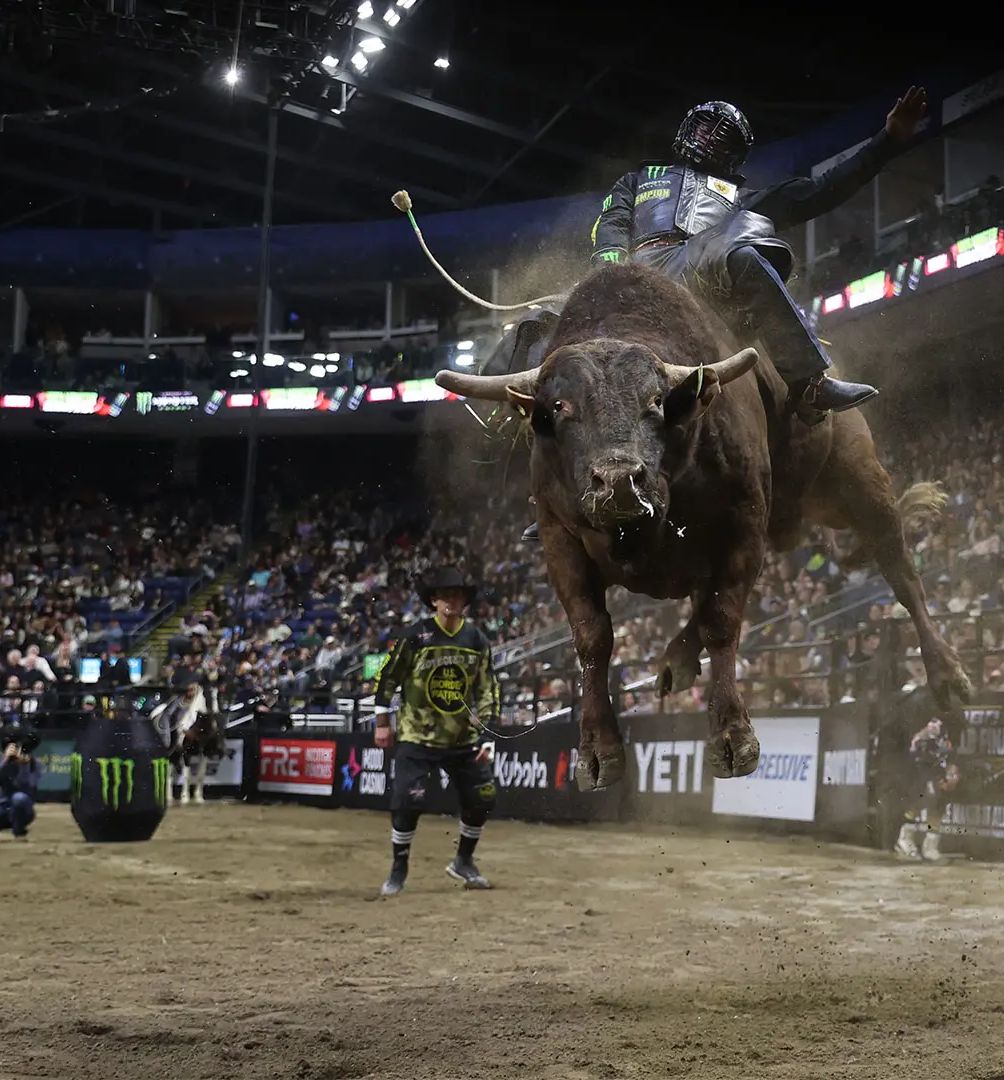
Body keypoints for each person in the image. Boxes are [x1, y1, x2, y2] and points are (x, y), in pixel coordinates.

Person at [515, 87, 931, 543]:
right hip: (630, 275)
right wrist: (611, 273)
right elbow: (612, 224)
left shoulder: (744, 198)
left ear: (735, 154)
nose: (710, 137)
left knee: (746, 250)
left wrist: (888, 140)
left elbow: (820, 191)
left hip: (696, 267)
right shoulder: (637, 180)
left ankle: (808, 381)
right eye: (704, 126)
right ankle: (550, 492)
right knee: (535, 326)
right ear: (685, 130)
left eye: (723, 135)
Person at [371, 566, 502, 896]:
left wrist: (487, 727)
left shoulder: (475, 639)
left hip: (462, 738)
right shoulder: (415, 637)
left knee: (483, 796)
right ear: (434, 601)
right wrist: (382, 723)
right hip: (417, 736)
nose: (453, 601)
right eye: (447, 595)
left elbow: (488, 687)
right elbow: (388, 678)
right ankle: (399, 867)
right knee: (408, 800)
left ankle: (463, 862)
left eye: (458, 595)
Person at [895, 717, 952, 861]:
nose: (935, 727)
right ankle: (904, 841)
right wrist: (929, 781)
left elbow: (945, 757)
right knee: (916, 804)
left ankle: (930, 847)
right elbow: (919, 763)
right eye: (932, 724)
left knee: (938, 807)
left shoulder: (944, 739)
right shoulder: (921, 740)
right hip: (919, 776)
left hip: (937, 775)